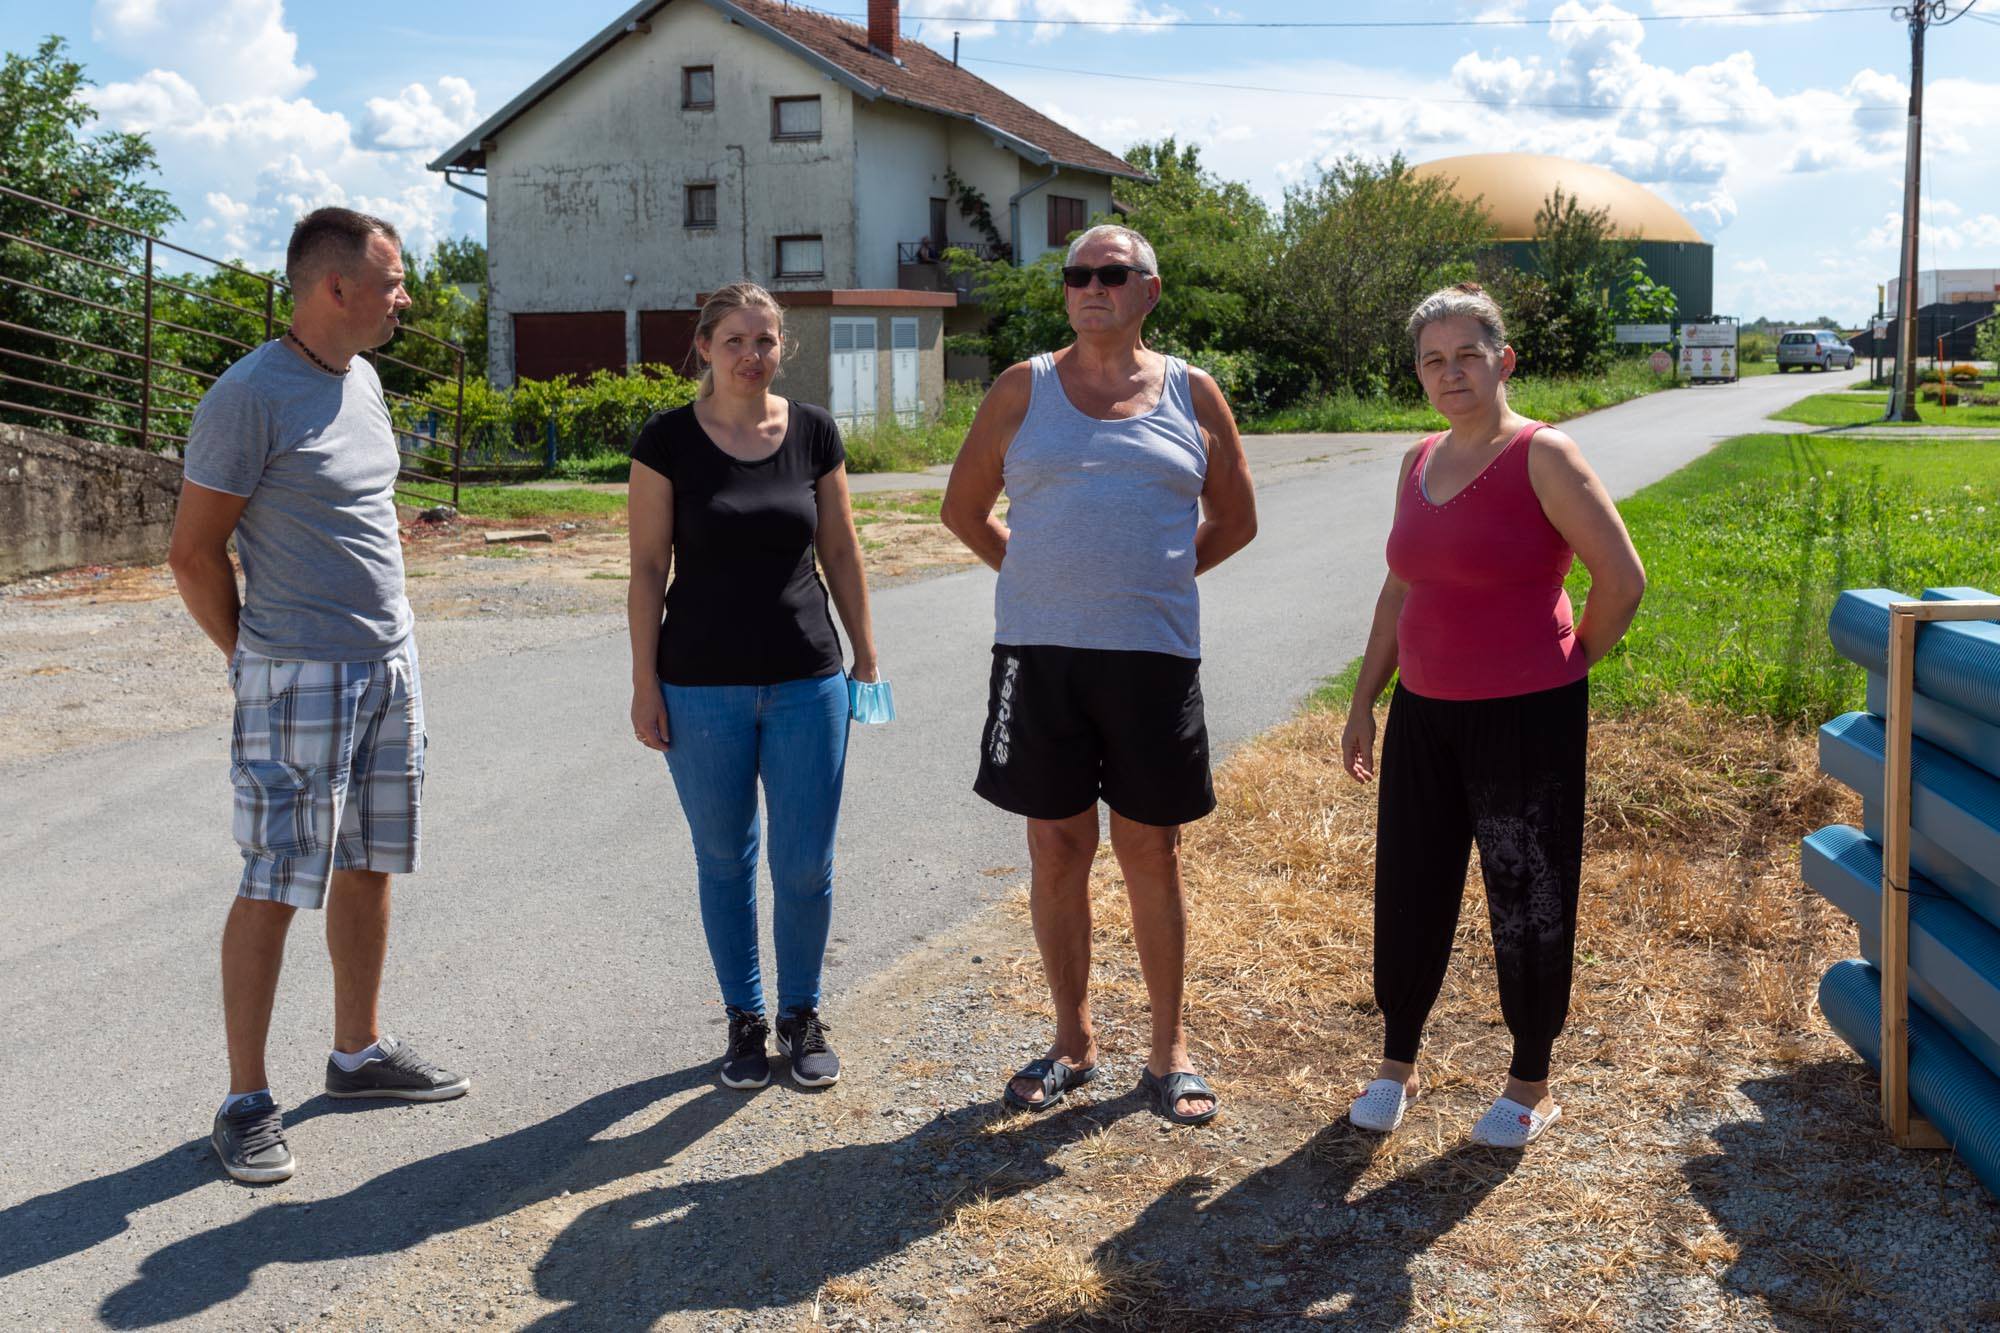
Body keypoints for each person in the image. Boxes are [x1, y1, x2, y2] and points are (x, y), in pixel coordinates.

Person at [169, 207, 468, 1186]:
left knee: (370, 861)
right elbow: (192, 551)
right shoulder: (250, 396)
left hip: (389, 664)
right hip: (296, 673)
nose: (404, 297)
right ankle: (245, 1101)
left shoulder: (367, 380)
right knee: (273, 878)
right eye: (391, 282)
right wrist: (251, 656)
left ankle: (357, 1052)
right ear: (333, 289)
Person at [941, 224, 1258, 1126]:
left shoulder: (1193, 393)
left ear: (1148, 291)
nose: (1091, 287)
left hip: (1153, 659)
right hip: (1039, 659)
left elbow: (1235, 519)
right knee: (1056, 846)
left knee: (1152, 849)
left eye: (1111, 274)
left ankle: (1169, 1050)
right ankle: (1071, 1040)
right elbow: (962, 508)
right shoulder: (1021, 388)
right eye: (1078, 275)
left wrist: (1155, 578)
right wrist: (1036, 575)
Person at [1340, 282, 1645, 1147]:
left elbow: (1620, 580)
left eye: (1467, 354)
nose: (1450, 372)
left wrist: (1569, 661)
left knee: (1529, 893)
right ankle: (1397, 1060)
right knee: (1409, 888)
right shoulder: (1418, 459)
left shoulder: (1544, 455)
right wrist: (1365, 699)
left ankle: (1530, 1081)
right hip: (1424, 713)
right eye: (1433, 360)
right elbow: (1400, 588)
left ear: (1503, 360)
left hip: (1525, 715)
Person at [627, 282, 881, 1091]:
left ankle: (800, 1014)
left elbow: (840, 551)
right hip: (699, 684)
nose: (751, 355)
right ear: (704, 347)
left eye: (765, 341)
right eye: (735, 340)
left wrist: (866, 657)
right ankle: (744, 1019)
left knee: (805, 863)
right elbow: (644, 568)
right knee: (724, 858)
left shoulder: (812, 433)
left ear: (783, 348)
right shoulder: (665, 440)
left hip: (809, 677)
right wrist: (643, 683)